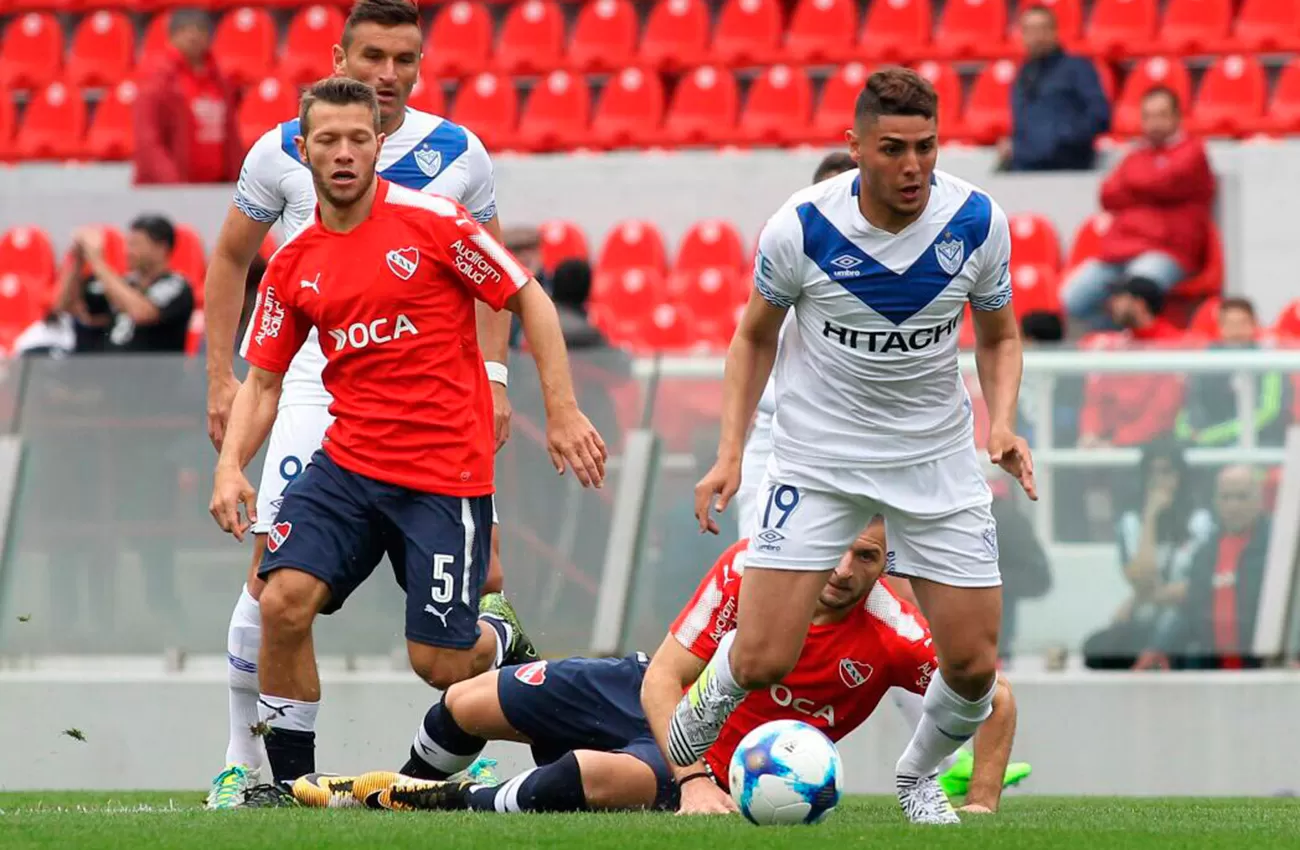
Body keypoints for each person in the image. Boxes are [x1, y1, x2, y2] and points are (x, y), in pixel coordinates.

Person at [209, 78, 606, 806]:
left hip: (443, 475)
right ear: (303, 151)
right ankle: (292, 783)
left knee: (443, 665)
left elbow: (528, 298)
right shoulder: (294, 264)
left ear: (378, 145)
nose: (343, 152)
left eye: (358, 138)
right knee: (281, 599)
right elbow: (261, 383)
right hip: (348, 467)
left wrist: (562, 410)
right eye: (326, 140)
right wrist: (231, 467)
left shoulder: (435, 224)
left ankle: (499, 643)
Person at [665, 67, 1035, 825]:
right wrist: (732, 453)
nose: (913, 167)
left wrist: (1000, 422)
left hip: (933, 460)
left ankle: (917, 775)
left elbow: (999, 336)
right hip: (820, 462)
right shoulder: (801, 227)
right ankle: (693, 728)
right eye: (893, 148)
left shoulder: (976, 221)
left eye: (926, 147)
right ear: (855, 145)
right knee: (764, 656)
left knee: (972, 668)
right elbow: (751, 338)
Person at [201, 0, 516, 808]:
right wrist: (219, 382)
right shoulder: (282, 146)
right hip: (308, 382)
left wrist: (497, 378)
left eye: (403, 60)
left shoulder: (458, 155)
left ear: (419, 65)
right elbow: (233, 257)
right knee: (272, 588)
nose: (386, 74)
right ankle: (252, 765)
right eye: (371, 55)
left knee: (446, 632)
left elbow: (498, 283)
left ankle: (485, 677)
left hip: (425, 400)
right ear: (341, 54)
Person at [300, 519, 1025, 815]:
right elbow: (663, 678)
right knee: (464, 702)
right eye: (832, 547)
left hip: (720, 753)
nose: (840, 570)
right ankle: (398, 790)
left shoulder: (894, 633)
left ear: (885, 560)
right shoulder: (751, 569)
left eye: (864, 556)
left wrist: (982, 804)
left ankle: (434, 803)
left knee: (589, 777)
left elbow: (994, 699)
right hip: (646, 692)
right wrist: (691, 779)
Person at [733, 150, 858, 541]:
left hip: (861, 434)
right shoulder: (787, 251)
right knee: (755, 557)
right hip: (778, 431)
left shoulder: (892, 269)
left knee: (862, 570)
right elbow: (752, 341)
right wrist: (734, 438)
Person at [1061, 87, 1216, 324]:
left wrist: (1133, 183)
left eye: (1161, 115)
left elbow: (1165, 182)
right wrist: (1145, 183)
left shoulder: (1192, 152)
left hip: (1167, 252)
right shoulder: (1135, 155)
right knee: (1071, 298)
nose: (1154, 123)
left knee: (1134, 296)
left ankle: (1138, 341)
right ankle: (1121, 339)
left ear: (1177, 117)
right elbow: (1107, 194)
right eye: (1148, 116)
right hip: (1120, 251)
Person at [1082, 439, 1213, 669]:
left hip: (1185, 619)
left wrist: (1136, 601)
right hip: (1145, 618)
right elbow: (1141, 580)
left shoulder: (1201, 521)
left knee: (1173, 623)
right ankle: (1147, 659)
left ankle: (1150, 659)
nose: (1159, 480)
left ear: (1180, 476)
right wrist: (1151, 516)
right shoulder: (1131, 522)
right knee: (1094, 649)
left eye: (1166, 472)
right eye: (1152, 472)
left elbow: (1194, 589)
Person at [1135, 465, 1271, 671]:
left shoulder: (1277, 550)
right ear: (1216, 502)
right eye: (1226, 497)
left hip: (1266, 669)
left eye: (1242, 497)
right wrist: (1158, 647)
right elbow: (1190, 610)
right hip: (1213, 669)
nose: (1233, 506)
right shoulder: (1205, 554)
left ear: (1260, 500)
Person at [53, 216, 195, 354]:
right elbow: (65, 306)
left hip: (153, 373)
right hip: (109, 371)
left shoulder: (176, 285)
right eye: (127, 244)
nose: (127, 251)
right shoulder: (124, 284)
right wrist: (78, 262)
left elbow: (141, 313)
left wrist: (97, 260)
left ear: (161, 247)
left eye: (135, 244)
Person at [133, 9, 241, 184]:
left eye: (200, 30)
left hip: (217, 185)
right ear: (172, 36)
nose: (193, 36)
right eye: (185, 30)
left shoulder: (220, 80)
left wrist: (238, 178)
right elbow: (148, 139)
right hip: (173, 190)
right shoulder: (157, 78)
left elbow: (231, 134)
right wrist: (172, 184)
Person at [1077, 279, 1186, 449]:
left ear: (1139, 304)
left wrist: (1117, 443)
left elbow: (1164, 410)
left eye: (1119, 298)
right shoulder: (1114, 345)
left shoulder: (1174, 345)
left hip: (1156, 449)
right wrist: (1090, 433)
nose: (1112, 303)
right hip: (1109, 444)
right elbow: (1097, 397)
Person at [1002, 5, 1110, 172]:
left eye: (1042, 29)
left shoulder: (1077, 68)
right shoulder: (1022, 75)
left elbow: (1100, 116)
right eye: (1029, 30)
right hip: (1026, 172)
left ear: (1054, 32)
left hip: (1070, 170)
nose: (1036, 37)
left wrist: (1062, 139)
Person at [1177, 298, 1289, 448]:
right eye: (1230, 324)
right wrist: (1187, 435)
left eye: (1242, 323)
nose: (1236, 331)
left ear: (1254, 325)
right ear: (1220, 326)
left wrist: (1211, 436)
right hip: (1205, 445)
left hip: (1257, 445)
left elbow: (1267, 412)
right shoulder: (1204, 362)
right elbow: (1188, 408)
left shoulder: (1269, 363)